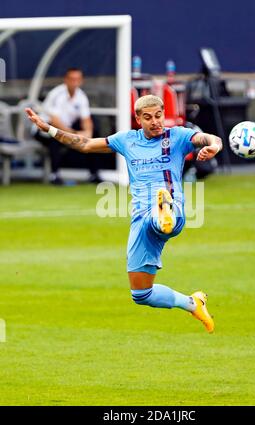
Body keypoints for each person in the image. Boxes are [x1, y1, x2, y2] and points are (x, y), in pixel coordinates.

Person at [25, 95, 222, 333]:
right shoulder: (126, 140)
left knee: (161, 217)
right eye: (148, 118)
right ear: (138, 119)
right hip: (140, 220)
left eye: (158, 116)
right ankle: (193, 303)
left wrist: (214, 146)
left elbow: (209, 138)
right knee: (141, 294)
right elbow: (84, 144)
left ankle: (164, 209)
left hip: (174, 212)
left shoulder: (177, 136)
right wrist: (49, 129)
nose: (155, 122)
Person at [35, 68, 102, 185]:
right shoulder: (56, 94)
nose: (74, 82)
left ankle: (94, 174)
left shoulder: (81, 96)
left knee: (94, 135)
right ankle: (54, 175)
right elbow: (55, 122)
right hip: (42, 131)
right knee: (54, 136)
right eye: (72, 79)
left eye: (77, 79)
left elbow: (86, 119)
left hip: (66, 129)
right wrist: (74, 135)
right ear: (66, 80)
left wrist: (88, 134)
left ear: (81, 81)